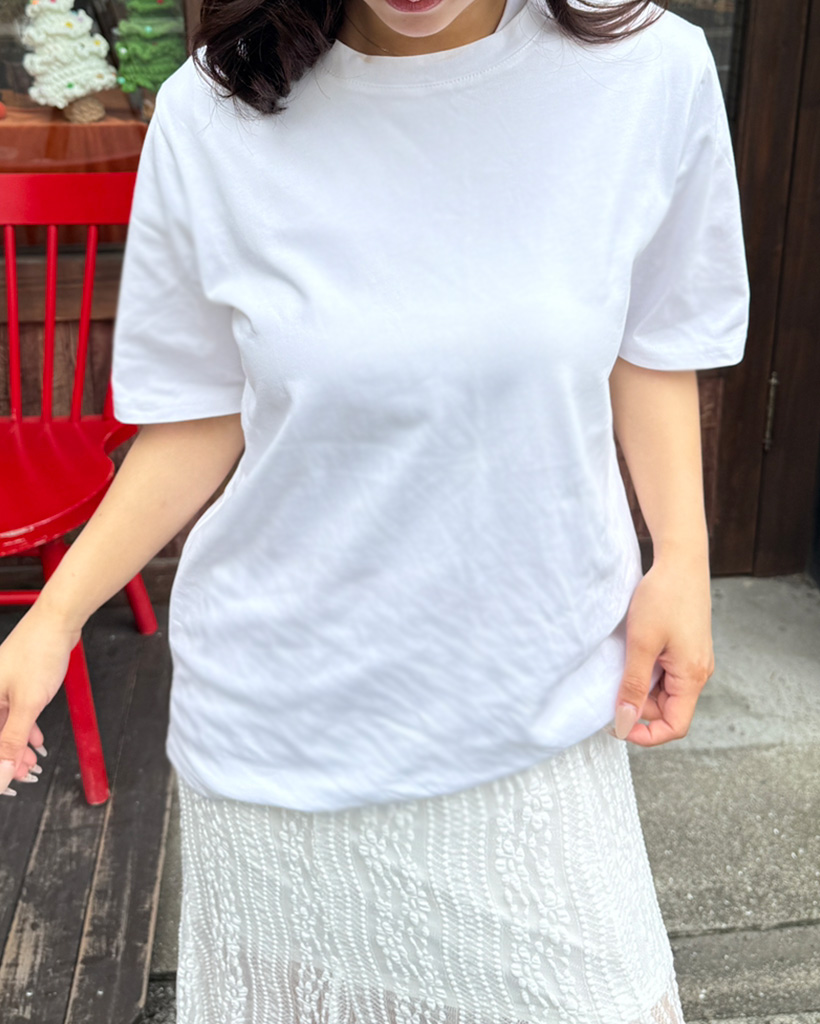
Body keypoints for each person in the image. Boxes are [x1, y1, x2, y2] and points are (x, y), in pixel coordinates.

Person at [0, 0, 750, 1018]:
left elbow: (653, 343)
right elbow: (197, 418)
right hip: (280, 730)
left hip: (535, 695)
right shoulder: (212, 112)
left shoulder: (647, 74)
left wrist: (683, 561)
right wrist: (54, 618)